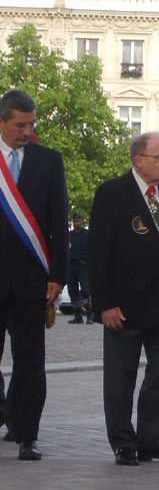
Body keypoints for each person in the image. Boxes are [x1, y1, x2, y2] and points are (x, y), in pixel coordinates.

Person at [88, 132, 159, 467]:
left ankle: (152, 440)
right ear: (139, 161)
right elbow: (98, 253)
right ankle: (123, 442)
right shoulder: (112, 194)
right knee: (120, 379)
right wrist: (105, 303)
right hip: (124, 307)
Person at [0, 89, 68, 461]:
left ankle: (27, 433)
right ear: (2, 122)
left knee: (30, 361)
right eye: (20, 125)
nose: (27, 131)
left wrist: (58, 273)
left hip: (32, 280)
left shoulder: (48, 161)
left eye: (31, 124)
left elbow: (58, 220)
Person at [67, 212, 92, 324]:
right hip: (71, 266)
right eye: (75, 221)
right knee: (73, 291)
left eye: (78, 221)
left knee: (86, 291)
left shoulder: (87, 234)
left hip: (83, 266)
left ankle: (89, 315)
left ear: (82, 221)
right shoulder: (69, 235)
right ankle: (77, 315)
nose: (76, 222)